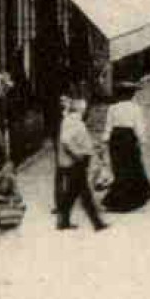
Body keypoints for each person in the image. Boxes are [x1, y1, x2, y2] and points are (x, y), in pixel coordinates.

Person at [100, 85, 150, 213]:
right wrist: (142, 140)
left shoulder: (112, 108)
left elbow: (108, 126)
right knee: (132, 168)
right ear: (131, 95)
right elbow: (139, 126)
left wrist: (105, 140)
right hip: (128, 138)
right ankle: (130, 201)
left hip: (116, 139)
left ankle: (116, 201)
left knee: (119, 168)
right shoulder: (135, 108)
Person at [56, 99, 106, 231]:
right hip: (75, 162)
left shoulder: (72, 121)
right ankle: (97, 223)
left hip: (75, 161)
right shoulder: (74, 122)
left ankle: (64, 221)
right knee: (83, 194)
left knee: (73, 193)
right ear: (79, 110)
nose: (86, 111)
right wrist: (77, 154)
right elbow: (66, 140)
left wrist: (91, 146)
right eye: (84, 109)